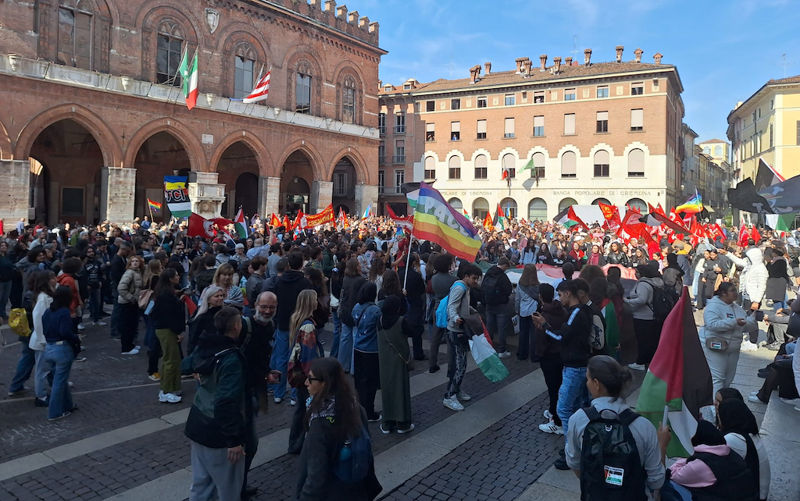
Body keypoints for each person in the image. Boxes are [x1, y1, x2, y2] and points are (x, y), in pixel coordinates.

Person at [565, 355, 664, 500]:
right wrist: (663, 446)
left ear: (596, 383)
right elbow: (656, 481)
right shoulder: (644, 426)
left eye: (588, 379)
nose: (586, 383)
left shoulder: (578, 420)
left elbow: (574, 462)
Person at [295, 357, 382, 500]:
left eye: (310, 379)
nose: (306, 383)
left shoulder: (319, 423)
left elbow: (316, 478)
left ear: (324, 384)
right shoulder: (355, 406)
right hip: (356, 489)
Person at [184, 306, 248, 501]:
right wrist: (233, 439)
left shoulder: (206, 345)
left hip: (197, 422)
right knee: (228, 488)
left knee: (201, 485)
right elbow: (225, 400)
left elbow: (186, 364)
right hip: (218, 432)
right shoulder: (231, 357)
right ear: (236, 327)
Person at [531, 279, 593, 470]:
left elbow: (561, 336)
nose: (559, 298)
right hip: (581, 364)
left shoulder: (576, 312)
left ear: (568, 293)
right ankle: (580, 445)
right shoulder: (585, 310)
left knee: (564, 409)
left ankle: (571, 452)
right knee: (579, 407)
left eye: (560, 294)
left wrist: (544, 325)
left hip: (575, 366)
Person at [239, 291, 277, 499]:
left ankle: (239, 484)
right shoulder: (245, 326)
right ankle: (235, 487)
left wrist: (267, 373)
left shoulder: (270, 326)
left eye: (271, 307)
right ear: (255, 305)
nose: (267, 311)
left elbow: (262, 357)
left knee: (249, 443)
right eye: (264, 306)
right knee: (247, 443)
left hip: (254, 388)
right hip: (240, 392)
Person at [661, 420, 757, 501]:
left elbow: (672, 475)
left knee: (667, 486)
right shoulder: (729, 452)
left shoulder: (702, 464)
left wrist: (688, 452)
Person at [271, 251, 312, 404]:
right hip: (299, 323)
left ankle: (278, 392)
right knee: (297, 358)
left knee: (281, 358)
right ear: (301, 264)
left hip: (282, 322)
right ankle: (295, 393)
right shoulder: (305, 283)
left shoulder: (279, 282)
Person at [702, 282, 757, 395]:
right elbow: (712, 324)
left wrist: (752, 320)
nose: (735, 293)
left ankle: (721, 403)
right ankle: (714, 407)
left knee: (728, 379)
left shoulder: (737, 308)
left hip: (734, 349)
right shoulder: (712, 306)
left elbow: (746, 326)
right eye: (732, 291)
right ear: (723, 293)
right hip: (717, 347)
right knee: (718, 378)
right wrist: (733, 322)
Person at [288, 289, 324, 454]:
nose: (317, 302)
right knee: (306, 409)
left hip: (298, 373)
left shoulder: (297, 319)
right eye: (315, 300)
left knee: (301, 409)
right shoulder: (308, 326)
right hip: (306, 375)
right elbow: (309, 355)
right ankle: (299, 443)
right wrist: (314, 378)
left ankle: (295, 442)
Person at [443, 263, 482, 412]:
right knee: (461, 365)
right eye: (474, 278)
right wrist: (455, 318)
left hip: (458, 329)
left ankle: (456, 390)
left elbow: (460, 305)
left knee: (459, 364)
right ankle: (449, 396)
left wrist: (471, 310)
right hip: (456, 330)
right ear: (466, 276)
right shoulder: (460, 288)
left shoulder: (464, 287)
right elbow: (451, 306)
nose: (475, 281)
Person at [717, 398, 770, 501]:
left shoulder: (733, 439)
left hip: (754, 495)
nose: (718, 418)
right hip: (758, 492)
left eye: (719, 415)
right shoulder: (749, 433)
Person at [377, 295, 414, 434]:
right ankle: (402, 423)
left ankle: (387, 422)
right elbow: (412, 332)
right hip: (399, 360)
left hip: (384, 360)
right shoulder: (401, 321)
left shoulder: (379, 320)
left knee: (387, 391)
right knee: (401, 390)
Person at [535, 283, 568, 435]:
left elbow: (542, 339)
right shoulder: (562, 310)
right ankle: (553, 410)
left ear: (541, 297)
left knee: (553, 387)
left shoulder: (544, 316)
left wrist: (538, 353)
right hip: (561, 354)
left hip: (549, 356)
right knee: (558, 385)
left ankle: (556, 420)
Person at [42, 286, 79, 421]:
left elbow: (44, 328)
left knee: (60, 379)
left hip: (49, 347)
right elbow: (65, 332)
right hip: (61, 348)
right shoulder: (64, 312)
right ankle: (54, 412)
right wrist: (76, 338)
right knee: (59, 381)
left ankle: (68, 405)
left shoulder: (48, 311)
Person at [150, 268, 186, 404]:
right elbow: (169, 315)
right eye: (176, 275)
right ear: (170, 279)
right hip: (167, 329)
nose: (178, 276)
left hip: (165, 328)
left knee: (172, 359)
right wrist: (177, 331)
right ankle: (166, 391)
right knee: (170, 360)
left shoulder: (164, 292)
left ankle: (172, 387)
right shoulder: (166, 295)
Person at [624, 261, 663, 370]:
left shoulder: (643, 284)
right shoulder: (649, 283)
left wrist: (627, 301)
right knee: (648, 340)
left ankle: (641, 362)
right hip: (648, 315)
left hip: (642, 316)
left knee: (643, 341)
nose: (635, 274)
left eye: (637, 272)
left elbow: (642, 299)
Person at [352, 282, 382, 422]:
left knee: (360, 381)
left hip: (358, 347)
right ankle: (368, 411)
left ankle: (359, 407)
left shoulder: (357, 307)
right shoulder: (375, 310)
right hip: (371, 349)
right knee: (371, 383)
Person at [28, 271, 56, 407]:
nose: (55, 280)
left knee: (45, 368)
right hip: (42, 341)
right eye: (52, 278)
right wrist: (42, 339)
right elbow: (38, 319)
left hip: (45, 338)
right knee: (42, 370)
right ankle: (41, 396)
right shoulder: (43, 298)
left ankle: (44, 393)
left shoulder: (46, 296)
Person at [337, 258, 366, 374]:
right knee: (355, 339)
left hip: (345, 311)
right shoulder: (361, 280)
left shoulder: (345, 279)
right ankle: (355, 368)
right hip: (356, 312)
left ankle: (343, 365)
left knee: (344, 339)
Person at [429, 253, 456, 374]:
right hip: (449, 309)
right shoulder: (453, 279)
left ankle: (432, 363)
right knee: (450, 340)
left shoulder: (434, 278)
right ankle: (451, 367)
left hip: (437, 307)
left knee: (435, 338)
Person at [481, 257, 513, 358]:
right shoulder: (502, 276)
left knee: (489, 327)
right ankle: (501, 350)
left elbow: (482, 287)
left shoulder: (489, 273)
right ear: (504, 265)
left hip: (489, 305)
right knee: (501, 329)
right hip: (501, 306)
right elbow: (508, 289)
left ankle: (488, 348)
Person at [117, 255, 144, 355]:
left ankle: (130, 344)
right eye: (133, 261)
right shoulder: (129, 273)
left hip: (133, 303)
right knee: (127, 326)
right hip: (127, 303)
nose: (135, 263)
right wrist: (131, 298)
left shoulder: (138, 272)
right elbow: (121, 288)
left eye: (137, 261)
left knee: (132, 324)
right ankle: (126, 348)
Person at [188, 285, 225, 355]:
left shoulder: (225, 314)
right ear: (208, 299)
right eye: (217, 296)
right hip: (206, 352)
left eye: (222, 295)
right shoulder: (202, 317)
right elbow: (193, 338)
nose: (221, 298)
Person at [515, 264, 540, 360]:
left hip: (523, 311)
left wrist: (517, 309)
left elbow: (517, 299)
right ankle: (534, 355)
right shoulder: (537, 285)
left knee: (523, 333)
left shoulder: (520, 284)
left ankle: (522, 354)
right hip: (534, 311)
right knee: (534, 334)